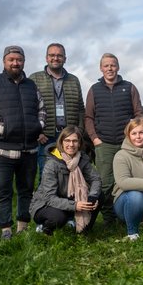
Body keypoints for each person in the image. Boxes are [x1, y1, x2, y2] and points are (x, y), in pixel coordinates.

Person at [0, 45, 46, 240]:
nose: (16, 63)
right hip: (2, 151)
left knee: (26, 190)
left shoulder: (31, 85)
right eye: (11, 59)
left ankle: (22, 228)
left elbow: (42, 109)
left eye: (19, 60)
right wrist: (0, 127)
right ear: (4, 62)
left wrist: (38, 125)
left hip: (28, 150)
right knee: (3, 190)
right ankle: (5, 230)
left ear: (23, 62)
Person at [85, 53, 143, 224]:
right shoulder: (94, 90)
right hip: (104, 144)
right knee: (106, 183)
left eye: (113, 65)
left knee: (129, 179)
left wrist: (135, 137)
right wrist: (95, 139)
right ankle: (109, 218)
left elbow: (138, 114)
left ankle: (128, 215)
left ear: (118, 67)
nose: (110, 68)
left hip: (127, 144)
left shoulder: (129, 87)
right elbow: (88, 117)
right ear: (101, 68)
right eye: (106, 65)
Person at [30, 126, 101, 235]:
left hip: (70, 201)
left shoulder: (82, 159)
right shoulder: (51, 164)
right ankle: (45, 227)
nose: (71, 145)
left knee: (99, 196)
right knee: (58, 218)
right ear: (61, 142)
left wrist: (92, 197)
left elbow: (95, 179)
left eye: (74, 141)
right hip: (45, 204)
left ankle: (83, 230)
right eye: (67, 141)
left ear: (79, 143)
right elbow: (49, 197)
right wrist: (75, 205)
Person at [29, 43, 85, 182]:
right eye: (52, 55)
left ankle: (69, 203)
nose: (56, 58)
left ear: (65, 58)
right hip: (46, 137)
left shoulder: (74, 80)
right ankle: (46, 203)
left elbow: (80, 109)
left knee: (70, 173)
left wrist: (79, 130)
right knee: (47, 174)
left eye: (59, 55)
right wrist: (37, 132)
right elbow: (28, 108)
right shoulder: (34, 79)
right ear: (46, 58)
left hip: (68, 136)